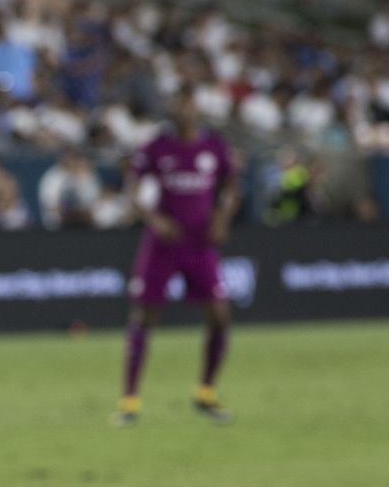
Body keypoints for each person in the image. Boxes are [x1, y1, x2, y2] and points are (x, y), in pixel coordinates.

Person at [115, 87, 241, 427]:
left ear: (197, 106)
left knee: (219, 315)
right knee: (144, 316)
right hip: (163, 243)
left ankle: (206, 392)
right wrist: (154, 219)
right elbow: (133, 189)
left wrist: (222, 219)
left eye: (188, 102)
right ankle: (129, 400)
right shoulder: (156, 147)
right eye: (177, 102)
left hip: (201, 244)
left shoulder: (214, 146)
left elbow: (230, 187)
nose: (182, 108)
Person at [37, 148, 102, 230]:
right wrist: (73, 212)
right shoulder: (52, 176)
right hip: (58, 225)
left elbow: (94, 204)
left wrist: (81, 179)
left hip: (85, 221)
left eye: (74, 157)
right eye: (68, 156)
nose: (70, 160)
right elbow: (51, 206)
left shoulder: (87, 174)